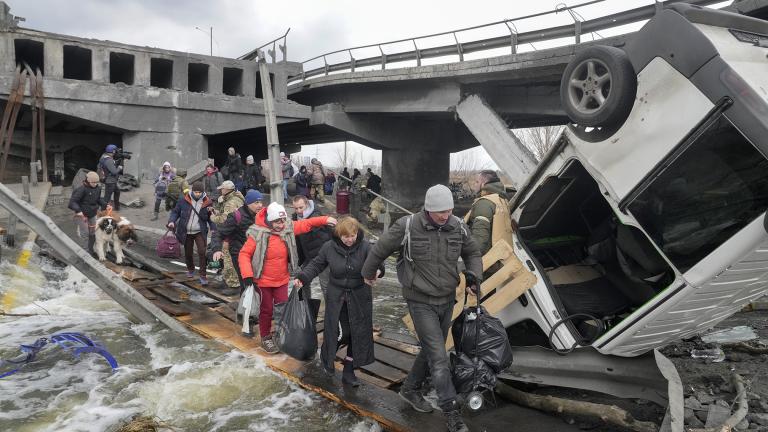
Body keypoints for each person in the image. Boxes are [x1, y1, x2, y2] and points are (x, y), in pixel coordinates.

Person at [361, 184, 482, 432]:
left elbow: (473, 252)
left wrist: (474, 278)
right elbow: (380, 249)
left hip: (447, 298)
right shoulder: (407, 226)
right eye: (440, 212)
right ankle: (451, 412)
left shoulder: (458, 226)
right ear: (428, 209)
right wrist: (368, 273)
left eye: (448, 210)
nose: (445, 215)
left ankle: (410, 389)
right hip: (419, 300)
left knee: (431, 348)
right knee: (439, 357)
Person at [294, 217, 384, 386]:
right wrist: (303, 277)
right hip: (337, 297)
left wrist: (377, 272)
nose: (350, 240)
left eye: (353, 235)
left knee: (357, 334)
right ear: (339, 235)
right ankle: (327, 356)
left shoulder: (365, 247)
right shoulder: (329, 247)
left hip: (360, 296)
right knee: (341, 332)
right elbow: (316, 264)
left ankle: (349, 369)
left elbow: (377, 263)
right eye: (346, 236)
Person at [238, 202, 336, 353]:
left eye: (283, 221)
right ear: (270, 221)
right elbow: (244, 254)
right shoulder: (257, 233)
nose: (281, 224)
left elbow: (306, 224)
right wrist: (247, 275)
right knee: (267, 310)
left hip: (281, 279)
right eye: (277, 221)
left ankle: (280, 334)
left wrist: (325, 219)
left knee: (282, 308)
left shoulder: (288, 228)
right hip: (262, 280)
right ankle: (266, 337)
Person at [211, 189, 265, 335]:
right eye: (256, 202)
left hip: (257, 255)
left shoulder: (262, 215)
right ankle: (246, 323)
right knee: (248, 286)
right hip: (240, 255)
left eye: (261, 201)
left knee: (257, 285)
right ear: (248, 203)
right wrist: (216, 249)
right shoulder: (237, 216)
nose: (260, 205)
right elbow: (219, 232)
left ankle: (251, 313)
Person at [168, 181, 214, 286]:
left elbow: (210, 218)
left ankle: (203, 275)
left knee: (202, 252)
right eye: (196, 192)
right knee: (188, 252)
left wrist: (213, 227)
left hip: (199, 231)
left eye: (199, 192)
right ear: (192, 191)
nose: (197, 194)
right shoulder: (183, 200)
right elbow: (175, 212)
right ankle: (191, 269)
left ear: (203, 192)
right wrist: (172, 221)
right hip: (186, 231)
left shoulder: (207, 202)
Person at [465, 170, 513, 257]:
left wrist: (471, 260)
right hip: (502, 256)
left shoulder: (484, 203)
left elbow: (480, 239)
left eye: (477, 182)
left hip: (488, 260)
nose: (474, 184)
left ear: (483, 184)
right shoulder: (502, 200)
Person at [292, 195, 332, 298]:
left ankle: (332, 312)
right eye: (296, 208)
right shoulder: (295, 218)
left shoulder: (317, 216)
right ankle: (306, 309)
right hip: (308, 258)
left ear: (307, 204)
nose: (298, 211)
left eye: (301, 207)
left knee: (326, 287)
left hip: (323, 258)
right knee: (301, 282)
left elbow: (329, 235)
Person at [210, 180, 245, 295]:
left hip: (231, 234)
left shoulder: (231, 203)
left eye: (222, 189)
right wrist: (217, 210)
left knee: (229, 257)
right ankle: (227, 279)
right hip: (233, 233)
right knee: (226, 257)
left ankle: (234, 284)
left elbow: (226, 220)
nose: (221, 190)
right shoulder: (232, 199)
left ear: (227, 190)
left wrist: (213, 218)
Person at [68, 171, 108, 255]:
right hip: (81, 215)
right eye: (93, 182)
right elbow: (72, 202)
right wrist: (78, 211)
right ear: (88, 181)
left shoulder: (98, 188)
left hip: (92, 214)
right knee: (85, 233)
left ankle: (91, 250)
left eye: (97, 182)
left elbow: (98, 199)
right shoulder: (81, 189)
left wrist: (105, 204)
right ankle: (85, 253)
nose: (95, 184)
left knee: (93, 233)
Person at [98, 144, 122, 211]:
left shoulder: (103, 156)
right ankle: (103, 210)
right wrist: (119, 168)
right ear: (113, 151)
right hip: (110, 181)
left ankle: (117, 207)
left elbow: (108, 166)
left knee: (117, 191)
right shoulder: (109, 160)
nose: (116, 152)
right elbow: (114, 172)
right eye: (115, 151)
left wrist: (116, 162)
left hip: (109, 179)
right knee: (107, 197)